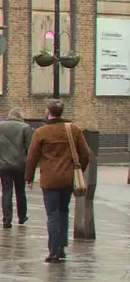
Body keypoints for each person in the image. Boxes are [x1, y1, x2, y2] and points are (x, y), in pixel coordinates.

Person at [25, 100, 91, 263]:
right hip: (68, 178)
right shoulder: (73, 129)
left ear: (48, 111)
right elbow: (85, 153)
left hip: (49, 179)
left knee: (52, 214)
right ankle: (61, 247)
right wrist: (78, 170)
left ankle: (53, 251)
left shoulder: (41, 132)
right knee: (63, 211)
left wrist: (29, 177)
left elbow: (32, 156)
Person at [0, 108, 34, 229]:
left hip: (3, 165)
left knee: (6, 191)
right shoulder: (26, 128)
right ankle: (22, 216)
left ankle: (6, 220)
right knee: (20, 191)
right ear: (20, 116)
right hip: (20, 165)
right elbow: (30, 149)